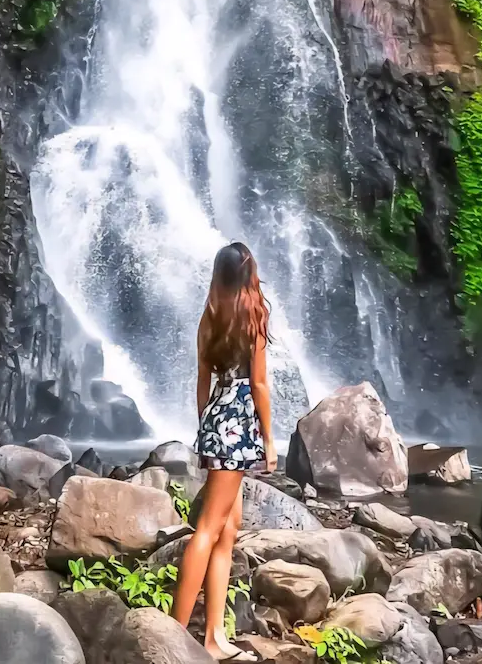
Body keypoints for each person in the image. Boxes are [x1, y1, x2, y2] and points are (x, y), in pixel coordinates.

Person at [171, 242, 276, 661]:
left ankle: (213, 636)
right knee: (209, 530)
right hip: (240, 423)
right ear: (249, 272)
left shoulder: (210, 314)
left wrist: (205, 425)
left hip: (216, 417)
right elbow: (260, 384)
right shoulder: (254, 314)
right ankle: (176, 635)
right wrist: (269, 439)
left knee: (227, 531)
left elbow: (202, 379)